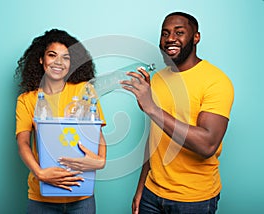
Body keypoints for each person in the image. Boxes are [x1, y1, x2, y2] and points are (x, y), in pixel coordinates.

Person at [122, 12, 234, 213]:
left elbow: (207, 144)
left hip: (193, 200)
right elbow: (155, 138)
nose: (170, 38)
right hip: (151, 194)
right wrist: (141, 188)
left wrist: (152, 108)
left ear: (196, 37)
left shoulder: (216, 81)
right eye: (165, 34)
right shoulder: (157, 80)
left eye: (179, 32)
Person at [14, 29, 106, 214]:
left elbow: (99, 138)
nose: (59, 62)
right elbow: (23, 142)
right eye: (52, 55)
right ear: (41, 59)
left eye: (66, 57)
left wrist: (101, 161)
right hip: (41, 197)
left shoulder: (83, 90)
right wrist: (40, 174)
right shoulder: (27, 99)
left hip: (81, 195)